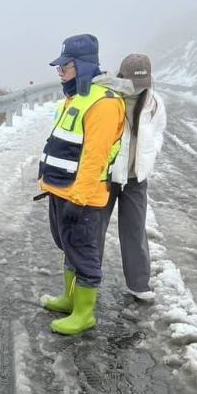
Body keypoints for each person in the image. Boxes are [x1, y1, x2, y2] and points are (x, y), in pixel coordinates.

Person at [38, 34, 125, 335]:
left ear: (84, 65)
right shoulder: (77, 96)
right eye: (59, 68)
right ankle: (70, 299)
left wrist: (79, 199)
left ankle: (84, 314)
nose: (60, 72)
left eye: (66, 66)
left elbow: (94, 157)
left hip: (82, 196)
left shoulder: (103, 103)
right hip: (61, 189)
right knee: (69, 247)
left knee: (85, 253)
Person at [97, 53, 167, 301]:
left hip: (136, 177)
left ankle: (138, 284)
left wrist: (151, 153)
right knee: (95, 229)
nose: (138, 88)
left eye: (143, 83)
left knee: (135, 230)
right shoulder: (108, 98)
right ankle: (87, 281)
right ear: (122, 77)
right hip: (107, 176)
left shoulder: (154, 102)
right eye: (133, 83)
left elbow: (158, 132)